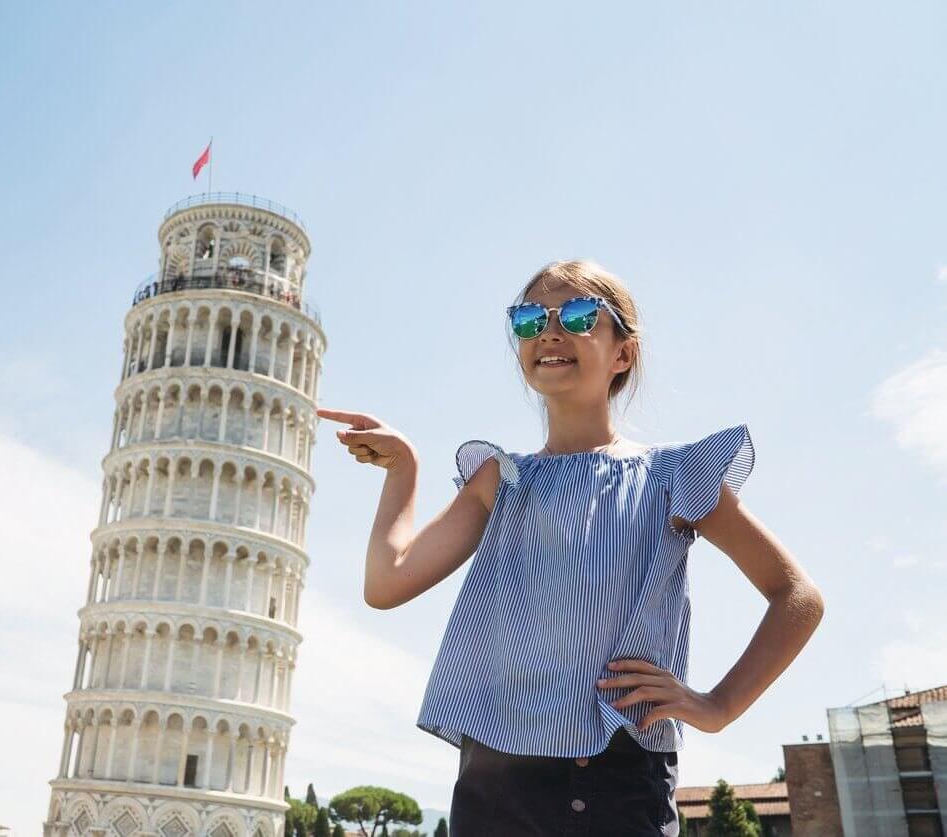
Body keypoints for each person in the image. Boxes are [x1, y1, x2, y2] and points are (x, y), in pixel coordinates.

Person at [316, 259, 825, 836]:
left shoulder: (673, 476)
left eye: (580, 315)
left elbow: (797, 595)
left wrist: (718, 705)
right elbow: (387, 583)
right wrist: (403, 469)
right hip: (492, 779)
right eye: (530, 319)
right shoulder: (500, 480)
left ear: (623, 354)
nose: (550, 332)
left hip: (614, 775)